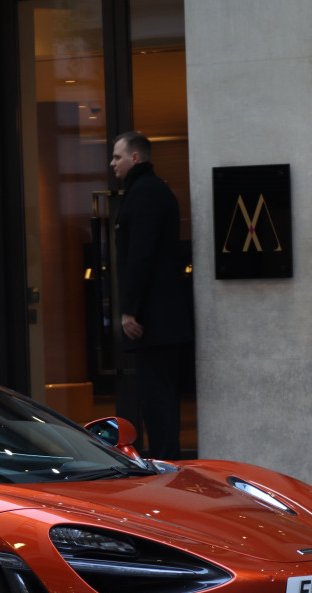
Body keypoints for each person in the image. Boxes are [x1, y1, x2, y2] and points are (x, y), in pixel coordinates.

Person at [109, 131, 193, 460]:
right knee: (161, 397)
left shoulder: (143, 194)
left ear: (135, 158)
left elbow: (139, 256)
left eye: (117, 156)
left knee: (157, 398)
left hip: (154, 320)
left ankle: (164, 463)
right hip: (163, 316)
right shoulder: (151, 191)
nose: (112, 162)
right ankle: (165, 459)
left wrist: (130, 310)